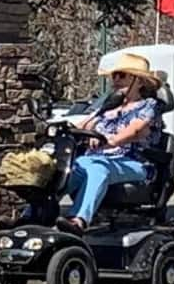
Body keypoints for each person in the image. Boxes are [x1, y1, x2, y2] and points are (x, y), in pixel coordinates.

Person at [55, 52, 162, 233]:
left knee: (98, 168)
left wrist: (109, 141)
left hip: (133, 162)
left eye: (122, 75)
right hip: (95, 159)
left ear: (140, 81)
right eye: (114, 75)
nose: (116, 80)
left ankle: (78, 220)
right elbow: (82, 126)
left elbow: (135, 130)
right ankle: (33, 215)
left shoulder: (149, 105)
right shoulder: (108, 106)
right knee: (63, 170)